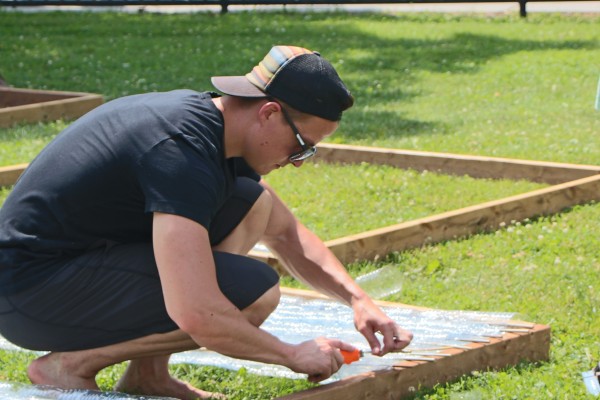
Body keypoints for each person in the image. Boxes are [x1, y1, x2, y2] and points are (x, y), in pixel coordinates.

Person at [0, 45, 412, 399]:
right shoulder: (180, 152)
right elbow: (198, 313)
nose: (298, 162)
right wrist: (290, 354)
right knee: (253, 293)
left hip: (62, 267)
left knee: (252, 204)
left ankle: (149, 375)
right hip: (26, 292)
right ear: (269, 113)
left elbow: (286, 233)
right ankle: (67, 368)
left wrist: (359, 300)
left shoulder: (216, 129)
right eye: (302, 147)